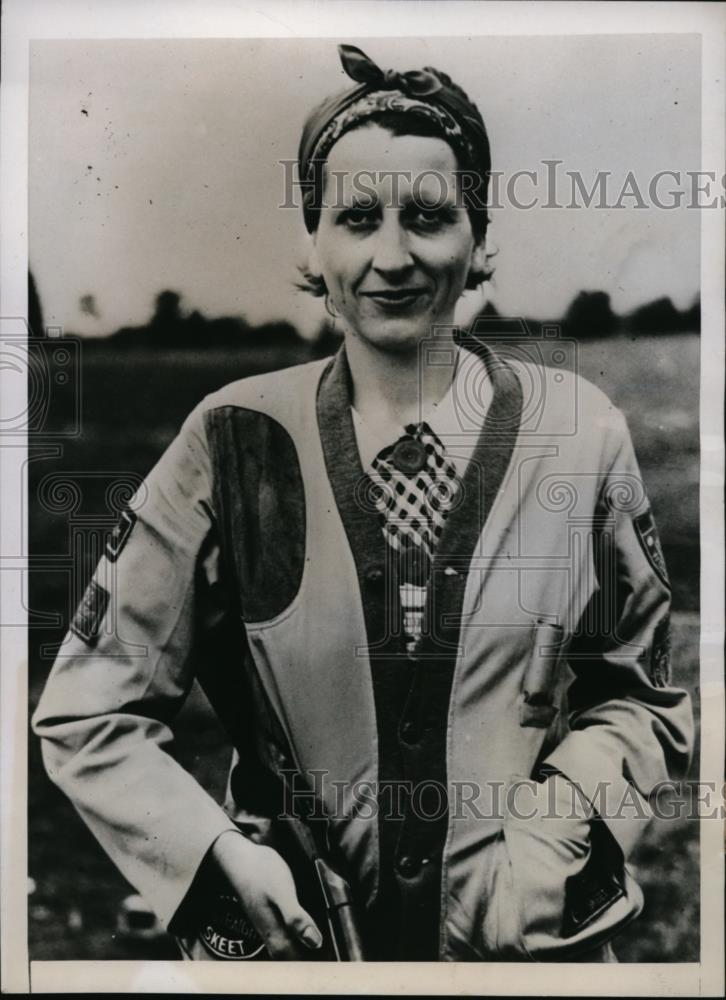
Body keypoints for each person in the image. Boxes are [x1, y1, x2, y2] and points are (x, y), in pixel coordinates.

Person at [33, 43, 694, 963]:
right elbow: (87, 712)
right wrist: (218, 857)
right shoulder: (230, 441)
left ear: (480, 234)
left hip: (529, 965)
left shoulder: (579, 435)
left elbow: (645, 697)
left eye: (429, 215)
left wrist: (558, 832)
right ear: (314, 243)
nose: (393, 255)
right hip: (300, 961)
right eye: (356, 217)